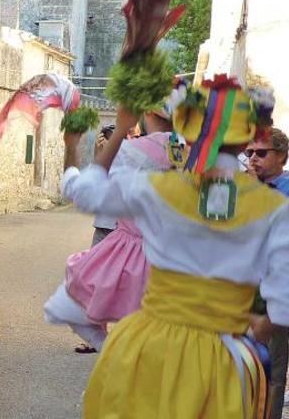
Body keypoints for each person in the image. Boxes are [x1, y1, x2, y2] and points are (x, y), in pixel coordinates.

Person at [62, 75, 288, 418]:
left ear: (191, 131)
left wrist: (99, 135)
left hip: (144, 344)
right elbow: (282, 302)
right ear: (246, 143)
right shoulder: (273, 210)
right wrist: (254, 326)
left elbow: (82, 191)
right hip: (218, 356)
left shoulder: (158, 188)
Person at [44, 109, 174, 353]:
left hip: (133, 254)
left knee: (70, 301)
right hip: (178, 260)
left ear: (146, 113)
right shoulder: (197, 154)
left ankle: (111, 352)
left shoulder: (134, 152)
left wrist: (72, 146)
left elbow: (81, 190)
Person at [246, 127, 289, 418]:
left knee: (273, 370)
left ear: (282, 156)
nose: (253, 159)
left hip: (280, 291)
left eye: (261, 153)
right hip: (256, 291)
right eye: (249, 153)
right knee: (259, 367)